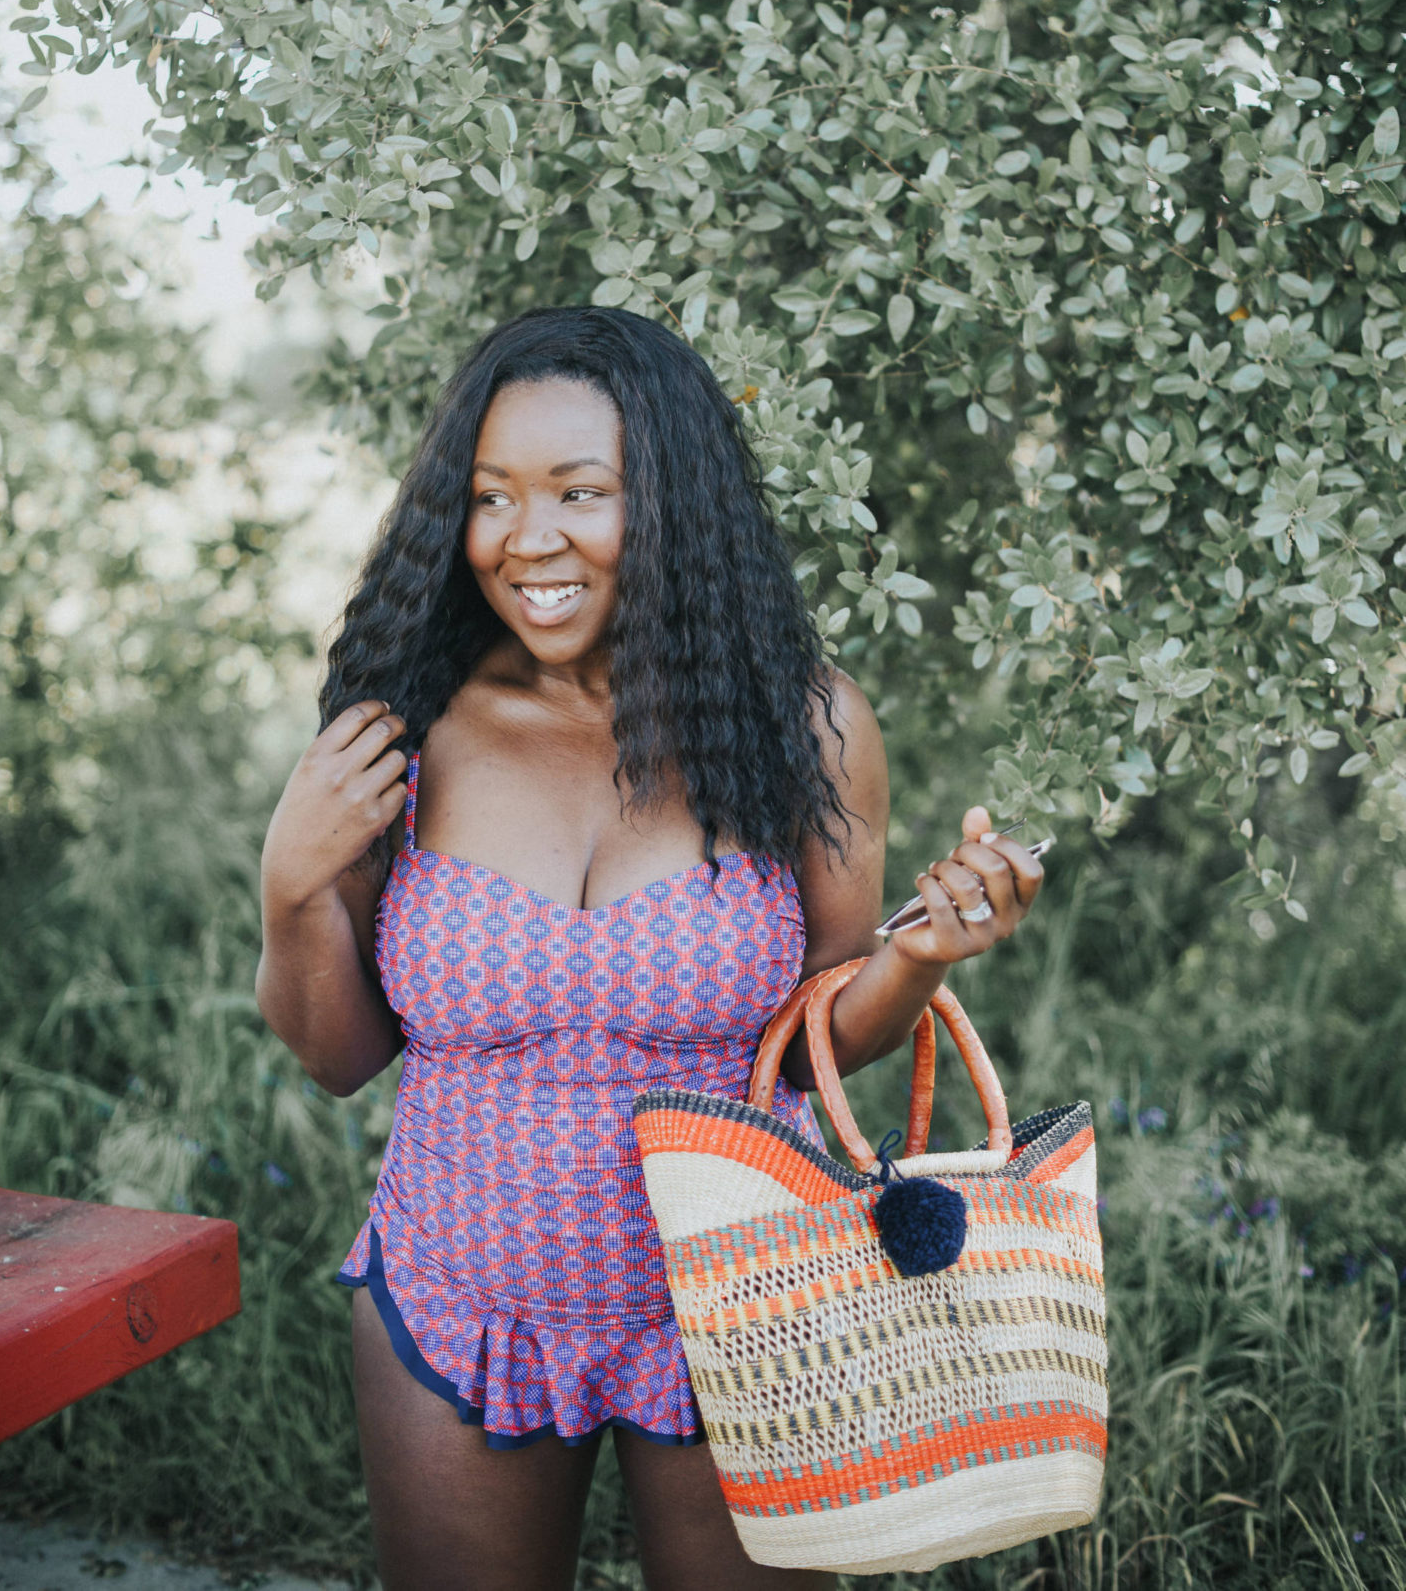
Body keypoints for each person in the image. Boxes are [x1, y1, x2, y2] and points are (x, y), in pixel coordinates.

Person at [255, 306, 1043, 1591]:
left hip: (743, 1299)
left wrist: (922, 957)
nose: (529, 540)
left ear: (669, 502)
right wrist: (292, 887)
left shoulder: (806, 726)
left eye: (581, 492)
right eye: (493, 496)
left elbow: (816, 1042)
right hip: (460, 1302)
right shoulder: (406, 721)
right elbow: (339, 1056)